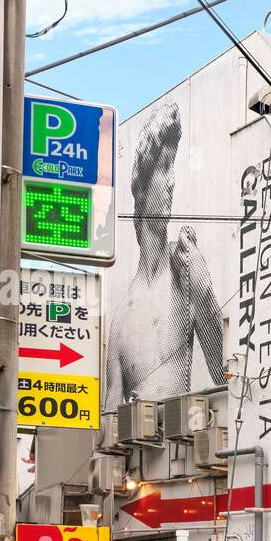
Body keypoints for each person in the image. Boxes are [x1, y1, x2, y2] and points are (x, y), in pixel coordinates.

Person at [105, 103, 225, 406]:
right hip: (141, 452)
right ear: (142, 190)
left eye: (172, 168)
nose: (171, 181)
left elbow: (225, 378)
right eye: (163, 167)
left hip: (189, 445)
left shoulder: (185, 263)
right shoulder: (120, 318)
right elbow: (109, 413)